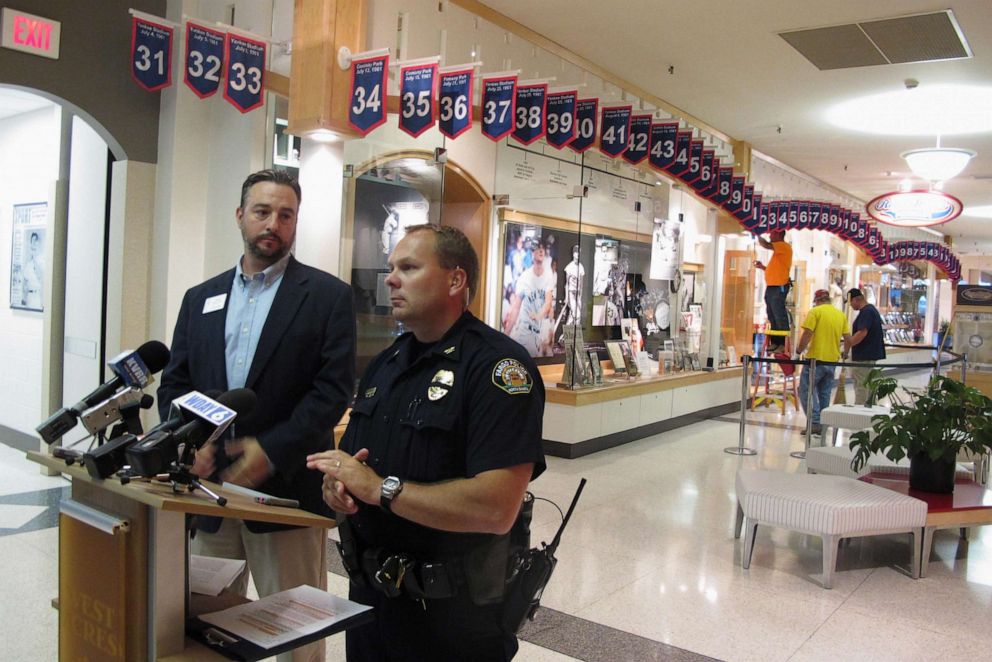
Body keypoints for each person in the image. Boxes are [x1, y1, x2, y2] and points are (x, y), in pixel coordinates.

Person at [307, 225, 546, 661]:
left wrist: (381, 489)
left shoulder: (499, 369)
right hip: (371, 604)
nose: (391, 279)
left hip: (452, 621)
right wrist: (339, 488)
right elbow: (357, 468)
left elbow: (496, 508)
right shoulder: (386, 365)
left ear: (455, 280)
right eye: (391, 268)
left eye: (409, 267)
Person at [158, 169, 356, 662]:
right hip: (209, 491)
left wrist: (271, 450)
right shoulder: (200, 297)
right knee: (206, 625)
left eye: (286, 215)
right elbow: (175, 384)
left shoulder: (327, 297)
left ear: (295, 223)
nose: (274, 224)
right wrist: (190, 445)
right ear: (240, 215)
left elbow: (331, 393)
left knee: (295, 635)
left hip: (287, 490)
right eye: (263, 211)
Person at [794, 289, 851, 436]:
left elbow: (807, 333)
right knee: (824, 393)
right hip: (832, 360)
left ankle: (815, 423)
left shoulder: (816, 312)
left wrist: (799, 351)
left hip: (815, 359)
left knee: (806, 390)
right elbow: (848, 337)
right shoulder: (840, 315)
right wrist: (845, 352)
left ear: (817, 300)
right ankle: (823, 423)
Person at [503, 239, 555, 356]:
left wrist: (539, 317)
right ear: (532, 253)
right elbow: (516, 308)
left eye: (542, 248)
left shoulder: (549, 275)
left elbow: (548, 304)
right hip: (527, 331)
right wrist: (505, 335)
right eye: (537, 248)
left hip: (541, 331)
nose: (541, 250)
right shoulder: (524, 277)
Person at [844, 287, 886, 404]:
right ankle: (869, 409)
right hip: (868, 355)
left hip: (864, 357)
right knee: (868, 386)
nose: (851, 306)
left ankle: (860, 411)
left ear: (856, 300)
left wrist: (849, 344)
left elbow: (862, 333)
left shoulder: (866, 312)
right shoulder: (871, 310)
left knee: (861, 387)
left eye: (851, 303)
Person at [753, 229, 792, 351]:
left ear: (779, 234)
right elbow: (777, 270)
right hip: (772, 287)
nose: (769, 235)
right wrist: (763, 267)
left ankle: (782, 344)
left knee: (779, 314)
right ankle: (775, 341)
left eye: (772, 233)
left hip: (778, 287)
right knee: (772, 315)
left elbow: (765, 245)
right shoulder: (778, 253)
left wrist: (756, 232)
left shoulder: (783, 246)